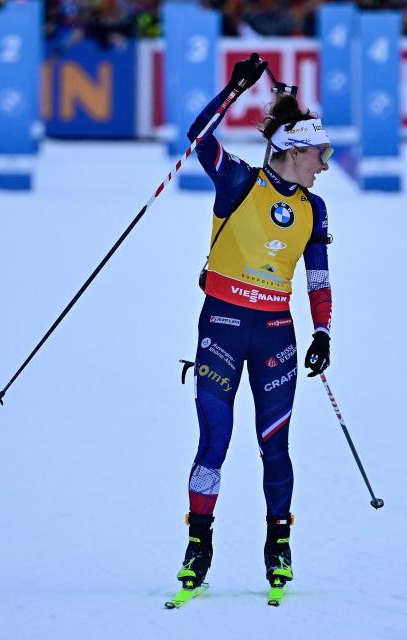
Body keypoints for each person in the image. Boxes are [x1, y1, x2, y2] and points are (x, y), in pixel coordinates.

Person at [176, 54, 333, 595]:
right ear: (292, 150)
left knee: (275, 445)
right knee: (214, 439)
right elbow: (198, 135)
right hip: (220, 327)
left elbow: (317, 278)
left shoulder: (315, 209)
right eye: (320, 153)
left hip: (274, 337)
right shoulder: (238, 181)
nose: (325, 165)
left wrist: (323, 334)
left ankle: (278, 545)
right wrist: (234, 88)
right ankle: (199, 545)